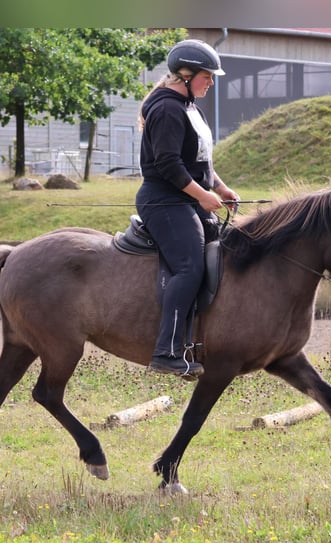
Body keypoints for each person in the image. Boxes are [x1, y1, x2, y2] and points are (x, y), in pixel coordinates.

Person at [136, 39, 240, 379]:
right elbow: (168, 164)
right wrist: (202, 195)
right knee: (189, 266)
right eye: (207, 76)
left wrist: (219, 188)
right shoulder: (167, 109)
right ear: (185, 75)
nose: (211, 82)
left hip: (185, 198)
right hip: (164, 201)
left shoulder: (190, 106)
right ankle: (166, 351)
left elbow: (198, 158)